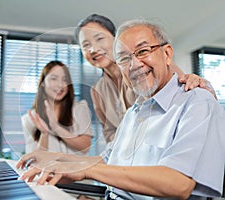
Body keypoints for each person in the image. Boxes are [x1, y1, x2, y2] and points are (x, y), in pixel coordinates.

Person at [17, 19, 225, 199]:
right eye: (124, 58)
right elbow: (110, 157)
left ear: (167, 53)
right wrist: (58, 159)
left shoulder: (194, 100)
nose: (134, 64)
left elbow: (179, 183)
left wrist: (88, 170)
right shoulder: (134, 109)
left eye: (143, 51)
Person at [75, 14, 217, 144]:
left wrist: (198, 83)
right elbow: (109, 133)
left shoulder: (148, 68)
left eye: (99, 38)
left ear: (115, 39)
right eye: (86, 45)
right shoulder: (97, 90)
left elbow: (187, 89)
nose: (93, 49)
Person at [21, 60, 93, 155]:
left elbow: (85, 147)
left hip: (76, 169)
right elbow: (36, 159)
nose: (60, 85)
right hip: (47, 169)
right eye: (54, 79)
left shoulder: (80, 109)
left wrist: (56, 128)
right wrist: (44, 133)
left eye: (64, 80)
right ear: (42, 83)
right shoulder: (30, 118)